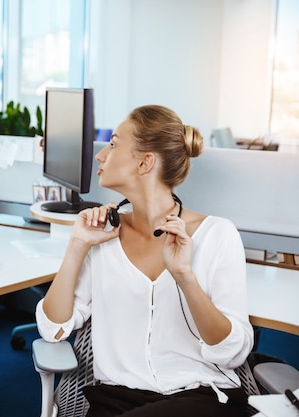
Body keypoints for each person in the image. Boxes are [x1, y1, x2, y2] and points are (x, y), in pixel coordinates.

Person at [36, 105, 254, 417]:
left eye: (113, 144)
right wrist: (77, 245)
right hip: (114, 400)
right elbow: (54, 329)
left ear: (145, 161)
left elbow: (232, 352)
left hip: (199, 398)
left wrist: (184, 277)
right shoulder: (102, 236)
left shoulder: (217, 235)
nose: (100, 156)